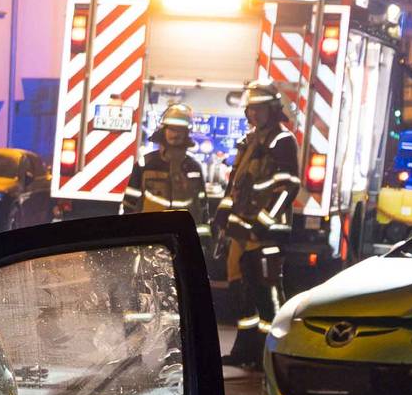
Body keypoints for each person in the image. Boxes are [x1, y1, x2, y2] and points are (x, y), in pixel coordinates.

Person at [215, 82, 305, 368]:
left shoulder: (282, 141)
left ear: (272, 110)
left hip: (265, 235)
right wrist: (222, 219)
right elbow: (237, 187)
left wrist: (263, 224)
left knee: (266, 292)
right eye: (250, 109)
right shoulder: (250, 141)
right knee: (240, 290)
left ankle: (273, 354)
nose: (253, 114)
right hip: (241, 231)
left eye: (259, 109)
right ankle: (246, 350)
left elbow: (288, 187)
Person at [129, 105, 208, 225]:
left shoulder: (194, 168)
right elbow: (129, 204)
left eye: (180, 130)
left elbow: (202, 208)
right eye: (172, 129)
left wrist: (203, 241)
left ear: (186, 133)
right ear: (163, 130)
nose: (175, 134)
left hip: (182, 235)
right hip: (152, 233)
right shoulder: (145, 164)